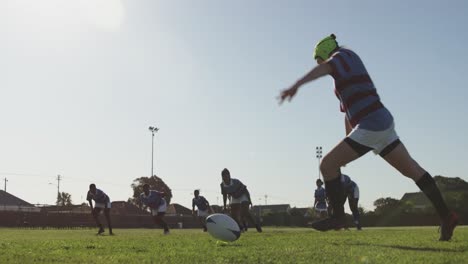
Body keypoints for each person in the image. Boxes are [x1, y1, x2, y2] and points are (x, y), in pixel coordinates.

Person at [278, 34, 458, 241]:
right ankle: (447, 215)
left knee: (326, 166)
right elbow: (348, 113)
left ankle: (337, 217)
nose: (323, 65)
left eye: (321, 60)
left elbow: (324, 69)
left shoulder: (342, 56)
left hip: (371, 125)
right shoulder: (345, 73)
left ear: (326, 53)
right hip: (381, 123)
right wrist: (347, 143)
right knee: (414, 171)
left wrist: (296, 85)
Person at [220, 168, 262, 232]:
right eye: (224, 176)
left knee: (245, 212)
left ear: (229, 175)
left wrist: (249, 200)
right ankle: (240, 227)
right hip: (234, 196)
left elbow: (245, 190)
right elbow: (224, 196)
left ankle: (256, 225)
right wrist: (225, 206)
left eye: (227, 176)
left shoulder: (236, 181)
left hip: (243, 195)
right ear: (222, 177)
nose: (225, 178)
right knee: (233, 214)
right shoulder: (222, 185)